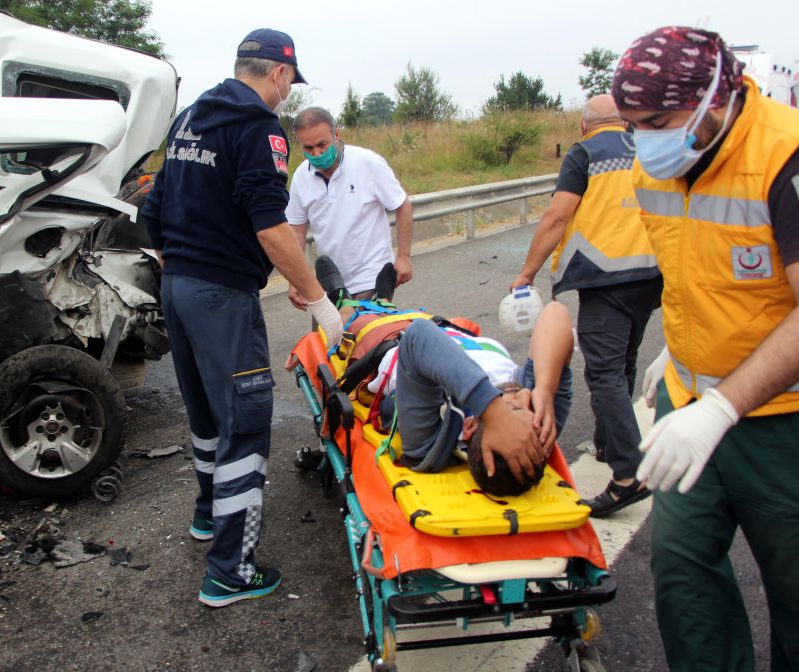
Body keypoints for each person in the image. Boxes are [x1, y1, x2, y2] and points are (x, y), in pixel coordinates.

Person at [613, 27, 799, 672]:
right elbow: (694, 270)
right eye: (633, 124)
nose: (644, 140)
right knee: (685, 579)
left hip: (782, 421)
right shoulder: (651, 165)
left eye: (658, 122)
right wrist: (677, 352)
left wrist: (723, 405)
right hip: (688, 404)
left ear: (714, 99)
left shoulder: (785, 156)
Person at [140, 29, 344, 609]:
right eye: (288, 84)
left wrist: (180, 257)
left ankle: (208, 516)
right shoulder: (258, 128)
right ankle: (231, 569)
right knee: (246, 426)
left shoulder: (188, 119)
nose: (285, 95)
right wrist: (320, 303)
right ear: (279, 75)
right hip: (221, 297)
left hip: (177, 287)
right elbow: (271, 227)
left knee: (206, 414)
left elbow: (153, 205)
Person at [511, 94, 661, 517]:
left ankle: (629, 475)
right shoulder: (645, 147)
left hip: (606, 276)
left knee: (603, 371)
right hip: (652, 275)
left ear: (583, 126)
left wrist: (527, 273)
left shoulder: (585, 153)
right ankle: (608, 441)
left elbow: (558, 217)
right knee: (623, 359)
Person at [319, 257, 569, 495]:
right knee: (401, 314)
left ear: (469, 426)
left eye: (509, 413)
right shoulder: (539, 414)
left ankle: (341, 300)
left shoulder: (430, 442)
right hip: (446, 332)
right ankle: (383, 300)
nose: (517, 397)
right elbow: (556, 314)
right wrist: (545, 390)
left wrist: (492, 406)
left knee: (358, 321)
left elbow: (419, 338)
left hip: (391, 345)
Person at [285, 107, 414, 308]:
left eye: (322, 145)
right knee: (329, 339)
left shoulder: (367, 163)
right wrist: (295, 279)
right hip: (328, 284)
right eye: (308, 148)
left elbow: (402, 205)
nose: (317, 153)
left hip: (371, 277)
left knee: (364, 335)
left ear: (336, 135)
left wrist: (404, 257)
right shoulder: (301, 177)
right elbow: (296, 230)